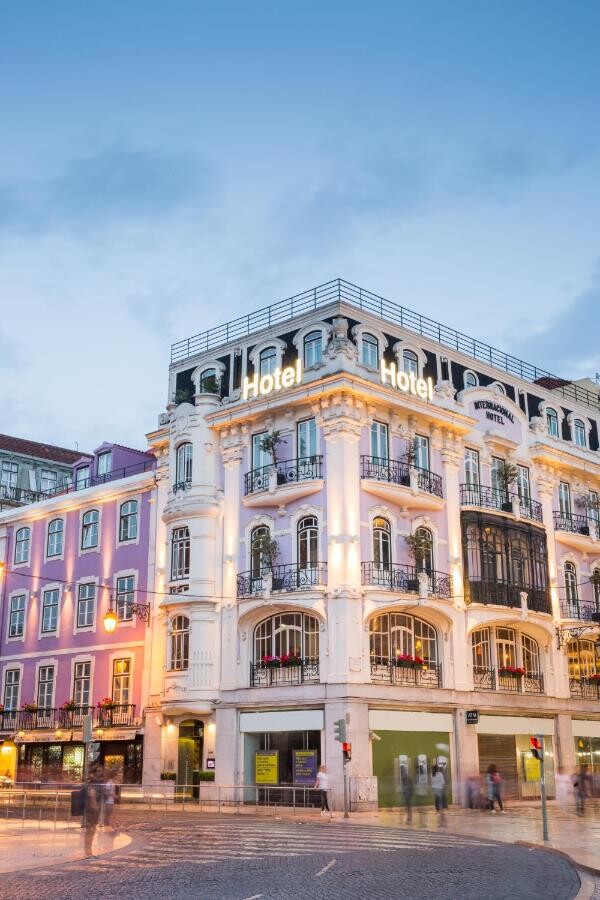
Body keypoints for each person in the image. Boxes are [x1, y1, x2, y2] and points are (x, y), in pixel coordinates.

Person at [82, 767, 103, 858]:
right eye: (98, 771)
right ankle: (87, 853)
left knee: (92, 830)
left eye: (101, 771)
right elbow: (92, 796)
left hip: (92, 810)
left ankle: (88, 852)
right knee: (90, 831)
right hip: (92, 810)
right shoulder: (93, 784)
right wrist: (96, 808)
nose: (100, 773)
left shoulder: (94, 783)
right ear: (93, 774)